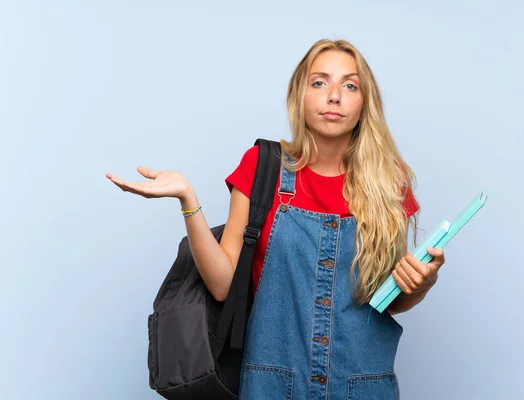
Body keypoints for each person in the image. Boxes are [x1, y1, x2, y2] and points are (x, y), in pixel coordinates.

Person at [106, 38, 446, 400]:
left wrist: (420, 283)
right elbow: (222, 284)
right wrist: (189, 200)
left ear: (365, 104)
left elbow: (387, 300)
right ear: (299, 96)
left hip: (362, 385)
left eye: (350, 85)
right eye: (319, 82)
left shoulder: (389, 182)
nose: (334, 95)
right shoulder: (262, 166)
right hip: (272, 384)